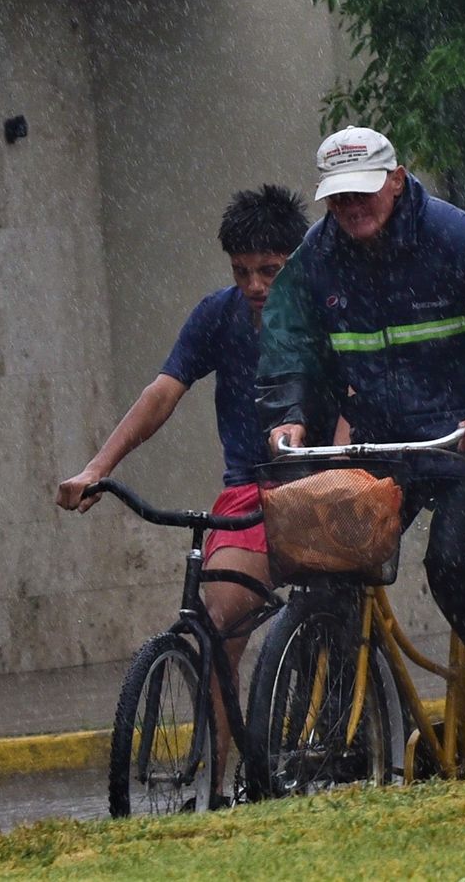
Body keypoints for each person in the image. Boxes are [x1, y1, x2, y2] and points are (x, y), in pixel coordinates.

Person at [258, 126, 465, 768]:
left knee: (453, 564)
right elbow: (288, 346)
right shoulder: (315, 264)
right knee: (332, 559)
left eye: (364, 191)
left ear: (397, 179)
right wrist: (290, 416)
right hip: (389, 445)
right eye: (339, 197)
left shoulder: (459, 242)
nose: (352, 207)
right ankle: (337, 739)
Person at [57, 184, 311, 805]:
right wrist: (97, 467)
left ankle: (326, 721)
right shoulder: (217, 315)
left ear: (295, 264)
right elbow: (164, 391)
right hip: (247, 493)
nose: (254, 285)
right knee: (216, 621)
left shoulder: (320, 313)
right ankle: (219, 791)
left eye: (269, 272)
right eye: (243, 272)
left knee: (329, 609)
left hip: (314, 486)